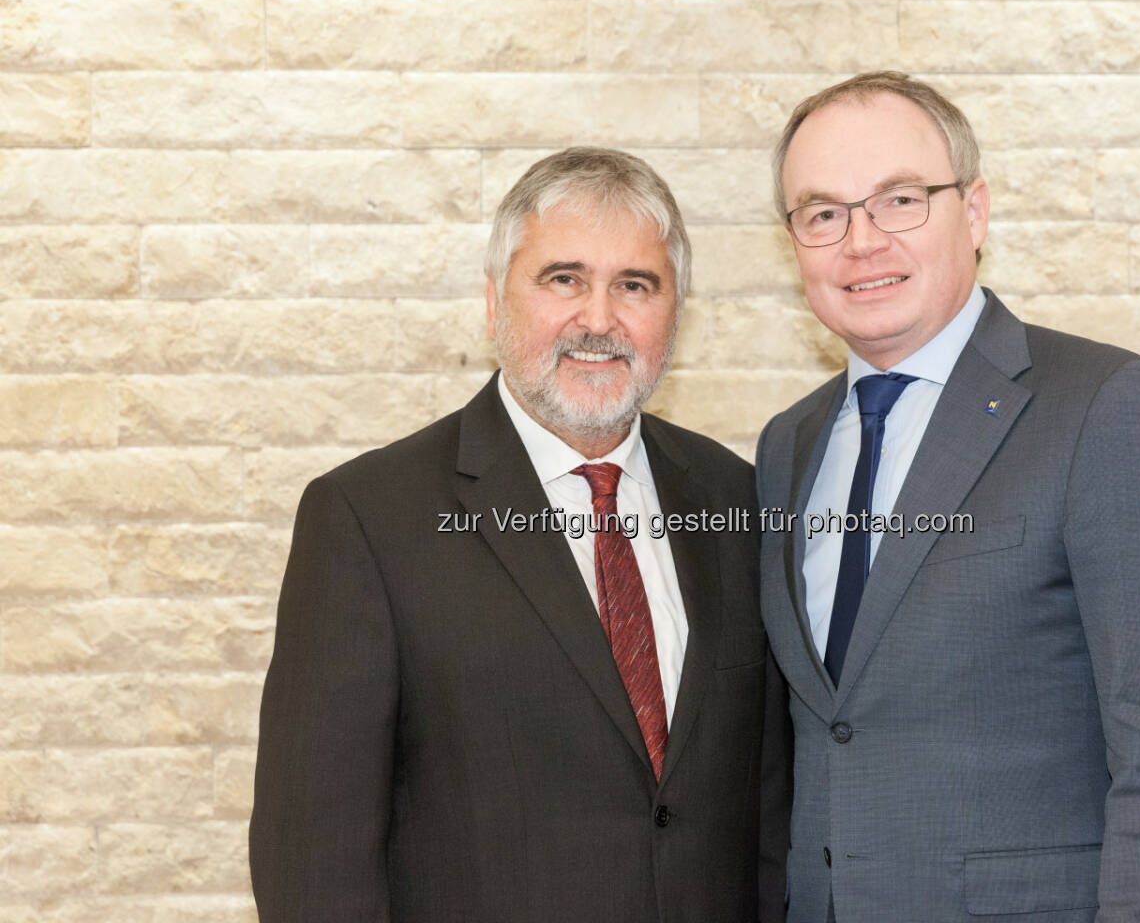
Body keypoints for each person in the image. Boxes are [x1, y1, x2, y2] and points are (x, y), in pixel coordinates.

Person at [251, 146, 789, 922]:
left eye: (635, 285)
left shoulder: (737, 500)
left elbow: (768, 811)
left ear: (676, 311)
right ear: (495, 301)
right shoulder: (368, 520)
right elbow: (314, 860)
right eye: (563, 279)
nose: (599, 320)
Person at [756, 71, 1140, 923]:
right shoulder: (785, 446)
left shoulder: (1106, 407)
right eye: (823, 213)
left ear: (973, 212)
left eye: (900, 199)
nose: (861, 241)